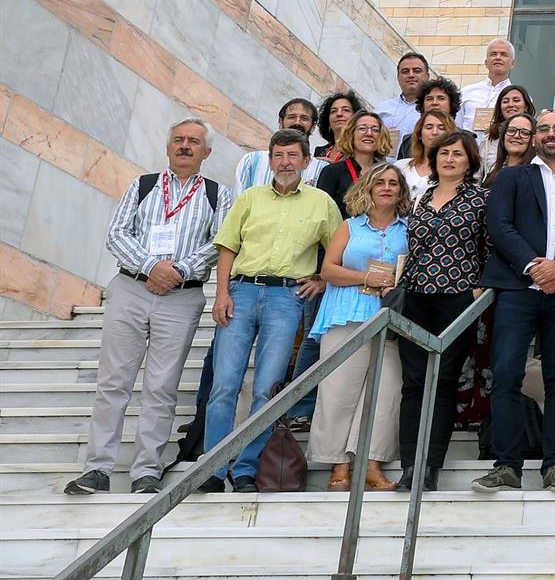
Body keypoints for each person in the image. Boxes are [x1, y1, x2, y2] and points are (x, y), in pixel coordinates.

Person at [66, 120, 229, 497]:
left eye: (194, 141)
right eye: (178, 140)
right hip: (131, 289)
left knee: (161, 386)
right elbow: (117, 233)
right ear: (168, 147)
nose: (185, 146)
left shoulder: (219, 195)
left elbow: (220, 242)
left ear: (207, 152)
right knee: (113, 382)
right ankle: (97, 469)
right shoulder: (142, 185)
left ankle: (147, 472)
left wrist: (178, 270)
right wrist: (151, 267)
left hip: (183, 296)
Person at [470, 111, 555, 494]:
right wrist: (535, 268)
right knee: (507, 373)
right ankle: (506, 465)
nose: (549, 134)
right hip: (516, 290)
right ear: (533, 138)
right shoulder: (512, 178)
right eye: (542, 129)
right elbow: (500, 227)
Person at [199, 129, 340, 492]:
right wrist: (221, 294)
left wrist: (322, 282)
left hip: (286, 298)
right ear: (270, 159)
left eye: (293, 155)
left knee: (267, 388)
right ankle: (213, 470)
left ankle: (246, 467)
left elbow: (339, 250)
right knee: (224, 385)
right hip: (242, 292)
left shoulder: (321, 202)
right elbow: (228, 245)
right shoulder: (249, 198)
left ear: (306, 162)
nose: (285, 162)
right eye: (278, 155)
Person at [393, 130, 490, 492]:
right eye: (444, 153)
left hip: (457, 298)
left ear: (470, 162)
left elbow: (491, 246)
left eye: (458, 154)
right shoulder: (420, 197)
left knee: (443, 382)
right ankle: (408, 467)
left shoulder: (481, 199)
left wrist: (479, 288)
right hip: (415, 296)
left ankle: (430, 467)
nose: (449, 159)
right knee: (414, 383)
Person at [307, 162, 409, 491]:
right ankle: (338, 466)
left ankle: (372, 464)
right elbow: (328, 270)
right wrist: (366, 277)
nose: (387, 187)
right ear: (367, 187)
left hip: (389, 318)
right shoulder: (350, 226)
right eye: (380, 182)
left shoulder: (409, 229)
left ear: (401, 192)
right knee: (338, 391)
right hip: (346, 313)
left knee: (386, 392)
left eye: (394, 183)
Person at [234, 99, 325, 191]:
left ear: (313, 126)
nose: (297, 122)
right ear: (280, 122)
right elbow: (238, 201)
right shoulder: (252, 161)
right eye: (292, 117)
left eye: (304, 118)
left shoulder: (321, 168)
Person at [316, 111, 394, 214]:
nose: (369, 133)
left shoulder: (388, 173)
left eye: (375, 130)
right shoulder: (332, 172)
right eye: (362, 128)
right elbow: (321, 212)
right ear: (351, 134)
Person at [396, 77, 462, 161]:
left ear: (451, 104)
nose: (434, 103)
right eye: (429, 99)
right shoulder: (409, 142)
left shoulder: (466, 139)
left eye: (441, 98)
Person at [458, 38, 516, 132]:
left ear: (512, 63)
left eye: (503, 54)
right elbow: (457, 127)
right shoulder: (466, 92)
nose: (498, 57)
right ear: (486, 63)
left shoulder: (520, 98)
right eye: (493, 54)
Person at [398, 110, 455, 200]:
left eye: (441, 128)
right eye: (429, 127)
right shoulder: (400, 166)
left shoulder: (452, 170)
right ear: (419, 134)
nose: (435, 132)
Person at [479, 85, 533, 177]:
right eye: (505, 101)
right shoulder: (489, 139)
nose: (510, 105)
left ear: (526, 107)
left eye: (516, 100)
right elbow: (479, 174)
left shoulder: (536, 135)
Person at [375, 52, 430, 137]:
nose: (411, 75)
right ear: (398, 77)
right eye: (405, 72)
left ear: (427, 76)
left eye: (417, 71)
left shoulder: (434, 108)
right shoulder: (382, 109)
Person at [484, 113, 534, 189]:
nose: (516, 135)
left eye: (524, 133)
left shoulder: (535, 176)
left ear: (533, 139)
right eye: (511, 130)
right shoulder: (493, 172)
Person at [315, 91, 365, 165]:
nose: (339, 114)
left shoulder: (362, 150)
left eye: (346, 110)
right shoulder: (319, 151)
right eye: (333, 111)